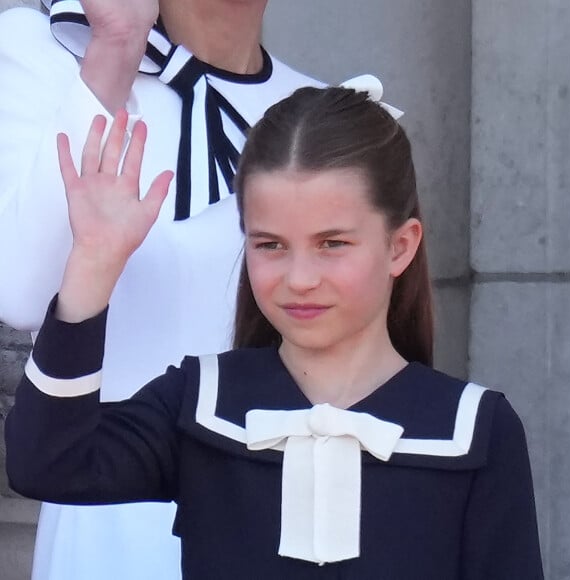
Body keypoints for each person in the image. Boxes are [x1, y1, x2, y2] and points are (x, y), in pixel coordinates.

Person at [6, 86, 544, 579]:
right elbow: (47, 464)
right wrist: (93, 266)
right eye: (270, 245)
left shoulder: (477, 429)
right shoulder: (200, 402)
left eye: (333, 244)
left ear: (400, 247)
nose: (300, 279)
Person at [0, 1, 326, 578]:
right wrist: (116, 49)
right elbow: (22, 292)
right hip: (107, 506)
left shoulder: (326, 113)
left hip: (280, 504)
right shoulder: (50, 53)